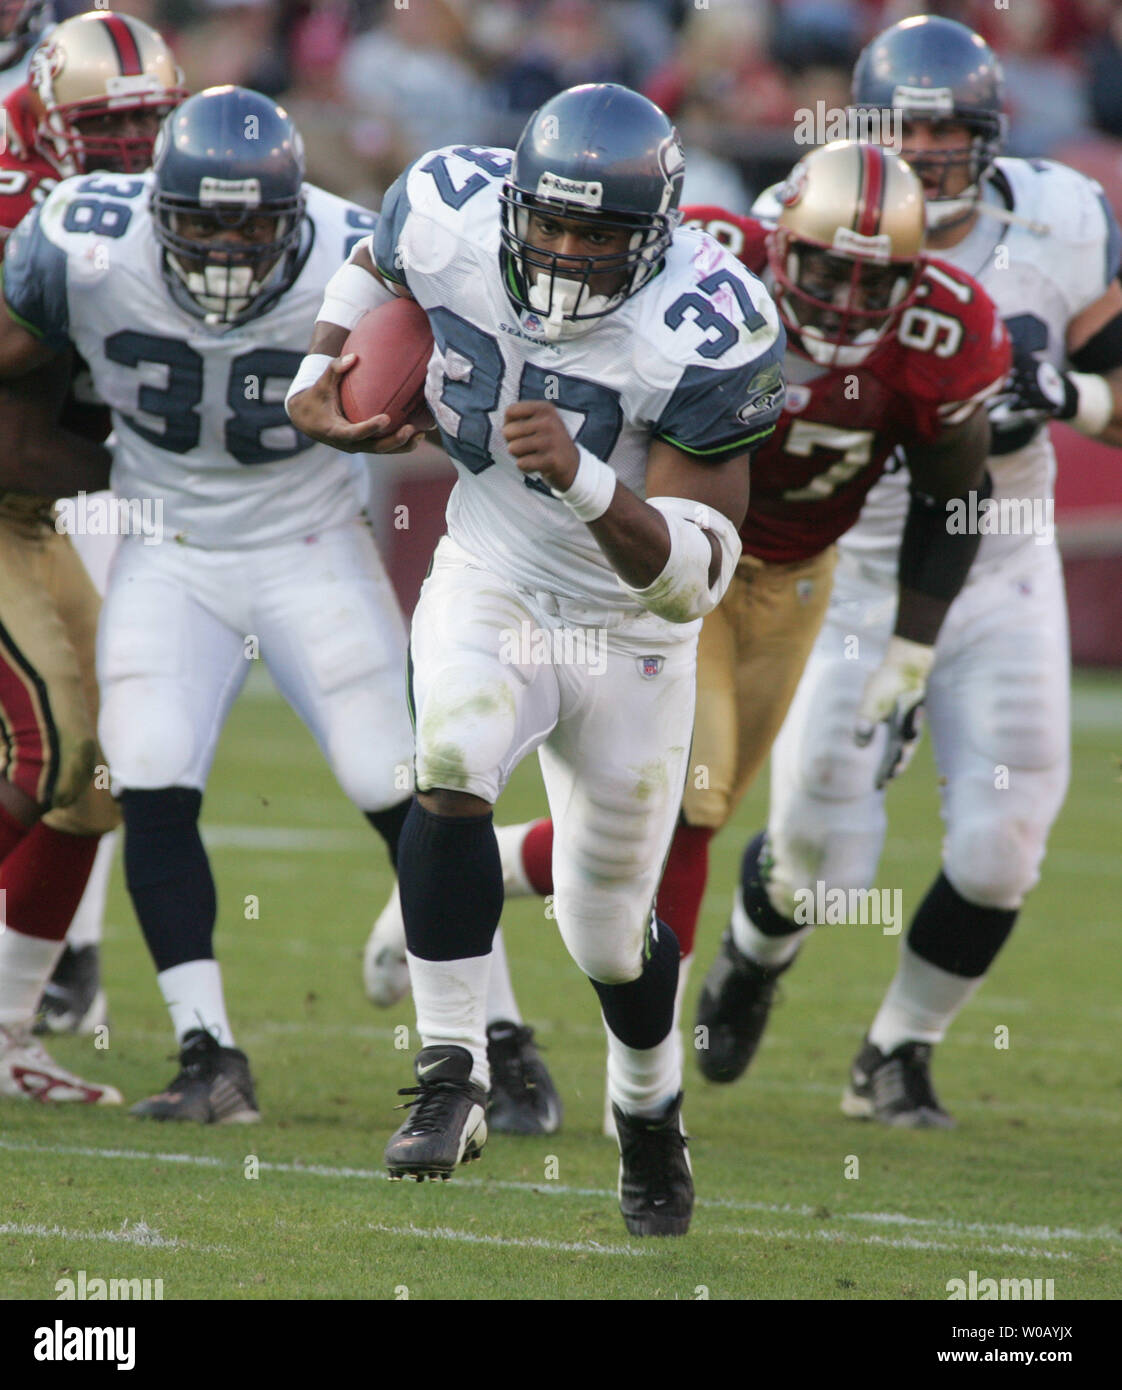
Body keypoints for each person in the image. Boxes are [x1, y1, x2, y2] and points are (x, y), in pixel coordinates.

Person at [413, 139, 1011, 1136]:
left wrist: (909, 652)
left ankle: (480, 866)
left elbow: (957, 492)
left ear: (917, 274)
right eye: (821, 266)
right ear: (779, 240)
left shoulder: (945, 333)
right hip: (651, 565)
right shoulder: (701, 276)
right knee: (688, 805)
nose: (841, 297)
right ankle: (644, 1088)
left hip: (791, 575)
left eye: (873, 279)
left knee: (725, 824)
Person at [287, 82, 785, 1236]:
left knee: (606, 930)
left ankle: (649, 1117)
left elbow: (699, 572)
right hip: (493, 571)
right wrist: (321, 371)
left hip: (634, 631)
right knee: (450, 758)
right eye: (551, 223)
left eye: (597, 236)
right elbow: (376, 260)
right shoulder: (450, 206)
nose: (566, 251)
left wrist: (586, 477)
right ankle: (451, 1073)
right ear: (513, 203)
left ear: (653, 238)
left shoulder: (706, 322)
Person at [699, 15, 1122, 1126]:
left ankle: (898, 1047)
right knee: (817, 861)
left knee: (1002, 842)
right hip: (845, 559)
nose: (929, 155)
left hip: (1000, 557)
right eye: (907, 132)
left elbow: (1121, 394)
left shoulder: (1063, 216)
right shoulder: (796, 216)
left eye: (951, 134)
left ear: (989, 136)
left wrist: (1070, 396)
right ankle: (753, 955)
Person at [0, 83, 420, 1122]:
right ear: (152, 208)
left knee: (399, 781)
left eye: (253, 222)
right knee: (143, 771)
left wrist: (424, 419)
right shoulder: (82, 242)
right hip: (168, 543)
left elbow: (455, 397)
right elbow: (4, 373)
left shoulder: (358, 255)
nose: (227, 247)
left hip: (310, 538)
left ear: (299, 218)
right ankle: (208, 1054)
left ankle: (485, 1042)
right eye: (203, 221)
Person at [0, 8, 185, 1104]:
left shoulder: (152, 191)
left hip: (26, 510)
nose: (129, 154)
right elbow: (11, 408)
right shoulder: (14, 194)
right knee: (46, 742)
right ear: (51, 122)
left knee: (108, 761)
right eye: (104, 132)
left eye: (145, 126)